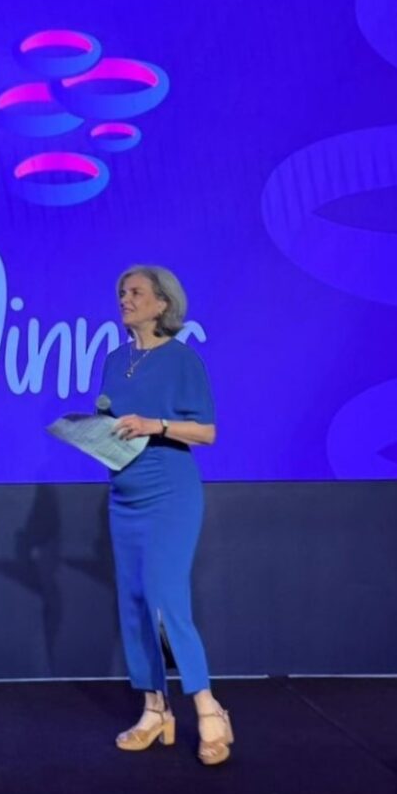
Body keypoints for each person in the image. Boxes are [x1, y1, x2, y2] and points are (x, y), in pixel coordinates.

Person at [101, 265, 231, 766]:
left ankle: (208, 706)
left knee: (165, 600)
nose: (125, 299)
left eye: (135, 292)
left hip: (170, 493)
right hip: (124, 494)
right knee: (134, 603)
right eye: (121, 292)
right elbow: (116, 425)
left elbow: (207, 432)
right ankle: (155, 709)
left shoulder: (182, 360)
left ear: (162, 304)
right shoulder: (115, 361)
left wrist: (153, 424)